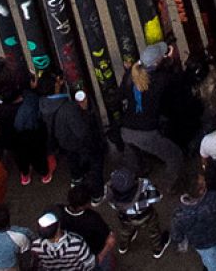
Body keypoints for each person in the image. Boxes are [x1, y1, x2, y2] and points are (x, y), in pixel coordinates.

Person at [39, 72, 106, 200]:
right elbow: (82, 132)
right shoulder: (68, 108)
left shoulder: (43, 104)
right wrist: (85, 111)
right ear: (54, 86)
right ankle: (97, 195)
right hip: (79, 144)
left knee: (73, 162)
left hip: (63, 143)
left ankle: (77, 179)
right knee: (95, 165)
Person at [119, 53, 182, 185]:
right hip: (146, 132)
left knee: (133, 155)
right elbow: (174, 79)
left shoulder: (130, 77)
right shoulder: (157, 81)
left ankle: (136, 176)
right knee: (174, 155)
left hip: (126, 129)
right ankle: (171, 183)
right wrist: (169, 61)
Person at [0, 80, 50, 187]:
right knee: (37, 157)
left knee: (20, 158)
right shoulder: (26, 108)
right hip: (31, 138)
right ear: (19, 96)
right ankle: (44, 174)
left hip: (12, 142)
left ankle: (25, 175)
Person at [169, 174, 216, 271]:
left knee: (210, 261)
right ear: (201, 190)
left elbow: (177, 235)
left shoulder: (179, 214)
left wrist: (180, 241)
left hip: (201, 243)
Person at [105, 167, 170, 258]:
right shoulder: (144, 186)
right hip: (146, 216)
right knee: (153, 231)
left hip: (125, 217)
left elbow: (112, 205)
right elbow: (156, 197)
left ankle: (123, 246)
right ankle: (158, 249)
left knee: (125, 231)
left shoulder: (110, 194)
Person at [60, 185, 116, 271]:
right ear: (81, 206)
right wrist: (105, 250)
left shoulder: (59, 212)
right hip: (95, 250)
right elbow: (107, 236)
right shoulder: (93, 218)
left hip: (73, 254)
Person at [32, 210, 97, 271]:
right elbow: (90, 263)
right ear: (58, 227)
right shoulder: (77, 243)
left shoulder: (35, 247)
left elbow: (39, 265)